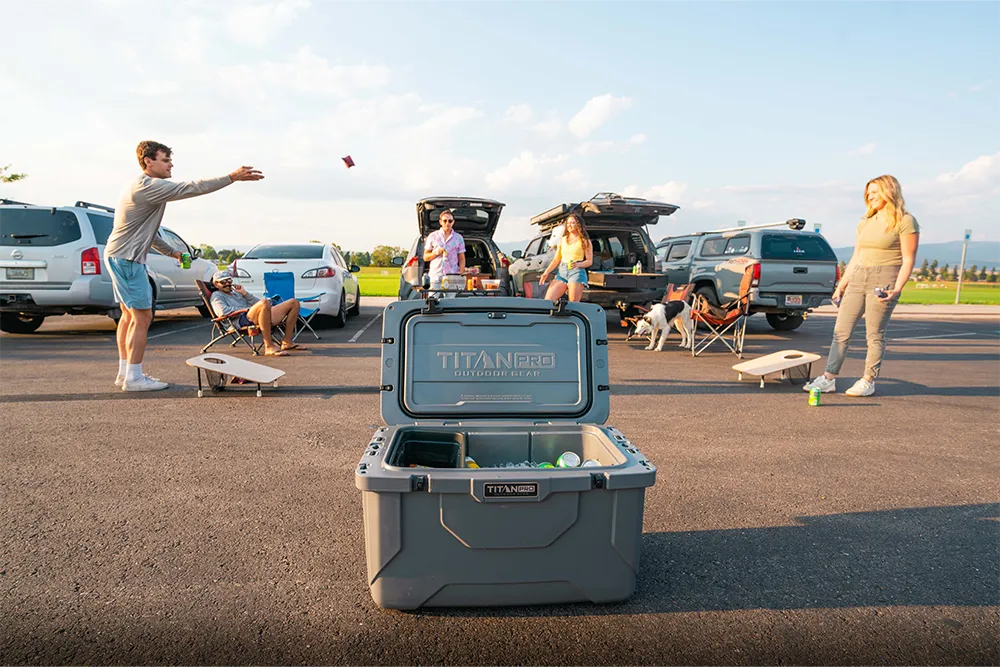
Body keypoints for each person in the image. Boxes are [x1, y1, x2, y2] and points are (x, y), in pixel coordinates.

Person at [106, 140, 264, 391]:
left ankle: (125, 373)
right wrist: (231, 177)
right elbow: (191, 187)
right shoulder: (149, 186)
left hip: (119, 256)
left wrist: (174, 253)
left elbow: (152, 234)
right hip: (127, 259)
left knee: (128, 316)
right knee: (142, 316)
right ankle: (134, 378)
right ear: (149, 162)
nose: (171, 165)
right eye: (165, 160)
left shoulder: (140, 187)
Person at [804, 174, 920, 397]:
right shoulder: (866, 222)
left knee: (874, 334)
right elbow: (857, 256)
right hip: (858, 278)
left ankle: (868, 380)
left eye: (875, 191)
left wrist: (897, 288)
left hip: (884, 279)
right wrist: (841, 286)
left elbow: (908, 259)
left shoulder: (905, 221)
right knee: (841, 332)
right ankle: (828, 378)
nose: (870, 196)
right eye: (868, 192)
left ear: (890, 192)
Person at [208, 270, 304, 357]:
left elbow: (258, 302)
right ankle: (269, 346)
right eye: (223, 282)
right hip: (239, 320)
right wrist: (247, 309)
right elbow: (222, 312)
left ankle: (287, 342)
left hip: (254, 314)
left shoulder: (236, 293)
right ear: (216, 284)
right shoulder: (216, 295)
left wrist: (244, 293)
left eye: (229, 281)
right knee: (263, 303)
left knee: (294, 302)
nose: (227, 284)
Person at [539, 213, 593, 302]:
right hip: (562, 271)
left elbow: (589, 261)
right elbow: (556, 259)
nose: (569, 225)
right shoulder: (563, 240)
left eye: (572, 223)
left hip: (577, 272)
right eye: (568, 223)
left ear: (578, 224)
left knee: (573, 304)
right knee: (548, 301)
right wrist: (546, 272)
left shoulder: (585, 241)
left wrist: (578, 264)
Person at [423, 209, 466, 297]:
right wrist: (436, 252)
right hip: (436, 275)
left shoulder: (459, 238)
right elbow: (425, 257)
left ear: (453, 222)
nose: (447, 223)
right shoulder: (432, 236)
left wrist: (461, 273)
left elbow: (461, 257)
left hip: (452, 275)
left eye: (450, 221)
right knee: (432, 301)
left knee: (450, 303)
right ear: (440, 222)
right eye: (445, 221)